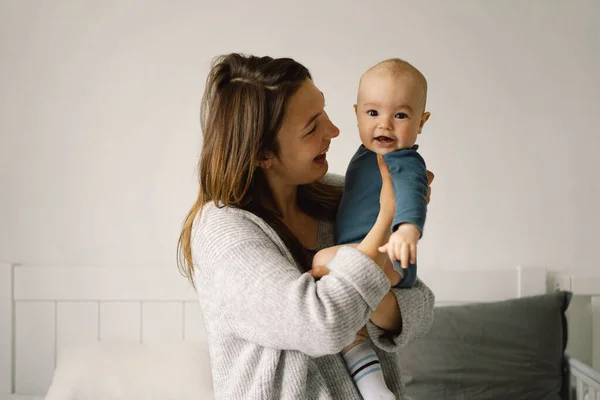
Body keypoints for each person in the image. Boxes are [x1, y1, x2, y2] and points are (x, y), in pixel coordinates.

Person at [177, 53, 435, 400]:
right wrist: (386, 218)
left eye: (325, 112)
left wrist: (379, 300)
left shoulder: (338, 196)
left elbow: (420, 305)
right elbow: (322, 325)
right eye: (312, 127)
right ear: (263, 155)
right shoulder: (223, 233)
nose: (335, 130)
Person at [311, 58, 431, 399]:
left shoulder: (404, 161)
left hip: (389, 256)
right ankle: (373, 386)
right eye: (373, 113)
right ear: (357, 113)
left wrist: (407, 229)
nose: (385, 126)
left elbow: (413, 192)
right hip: (366, 256)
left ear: (421, 122)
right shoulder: (365, 155)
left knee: (323, 258)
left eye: (401, 116)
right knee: (351, 325)